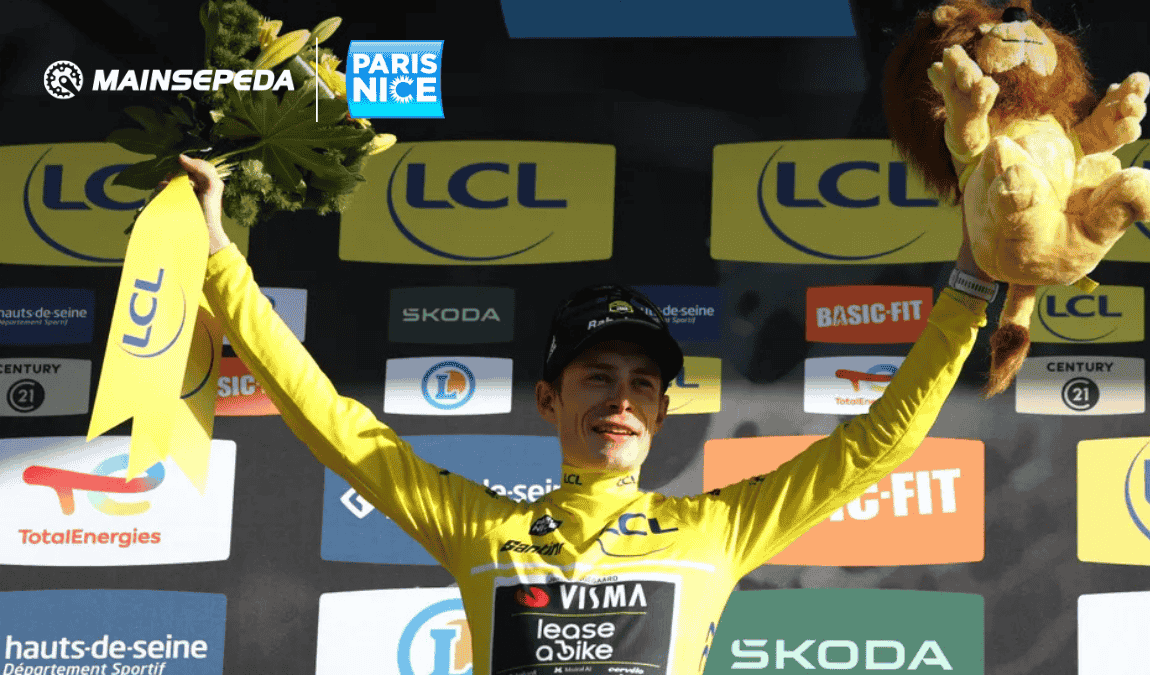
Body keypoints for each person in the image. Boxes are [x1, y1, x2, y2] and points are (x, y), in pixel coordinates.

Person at [179, 151, 994, 675]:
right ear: (549, 398)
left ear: (661, 412)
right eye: (597, 377)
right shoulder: (481, 528)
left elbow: (877, 442)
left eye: (641, 384)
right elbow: (329, 419)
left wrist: (969, 283)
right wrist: (219, 254)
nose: (620, 399)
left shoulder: (718, 528)